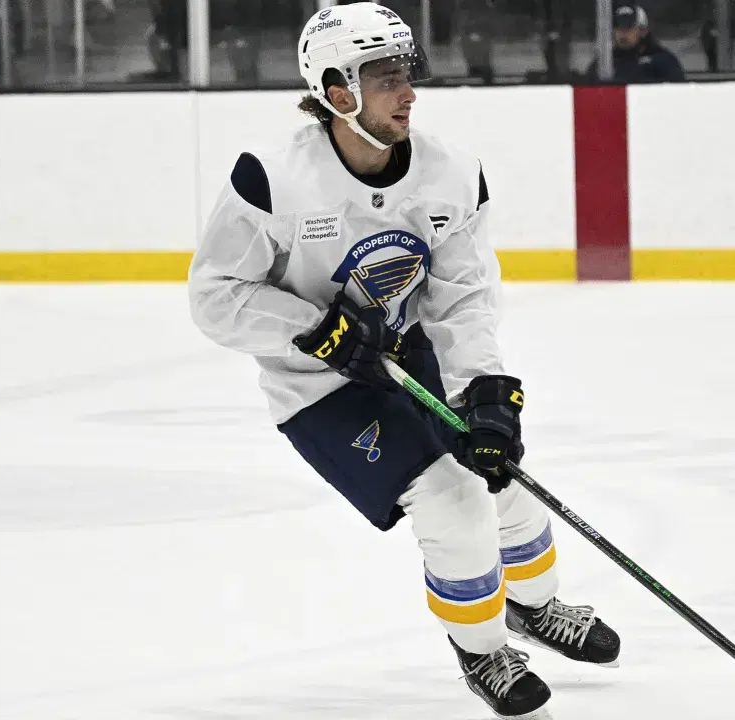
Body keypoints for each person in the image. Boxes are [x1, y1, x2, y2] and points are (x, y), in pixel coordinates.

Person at [186, 3, 620, 718]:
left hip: (409, 351)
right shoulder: (272, 178)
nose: (408, 92)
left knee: (500, 474)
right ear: (335, 89)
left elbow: (464, 297)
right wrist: (316, 329)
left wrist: (484, 389)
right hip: (319, 388)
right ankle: (481, 650)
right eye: (385, 77)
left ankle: (536, 607)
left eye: (406, 72)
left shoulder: (451, 173)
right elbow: (215, 298)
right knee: (452, 504)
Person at [588, 4, 685, 83]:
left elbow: (677, 93)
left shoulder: (663, 61)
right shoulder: (605, 63)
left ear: (643, 31)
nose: (622, 33)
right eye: (618, 28)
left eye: (629, 28)